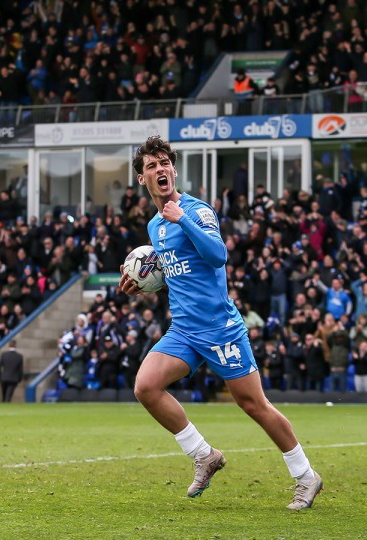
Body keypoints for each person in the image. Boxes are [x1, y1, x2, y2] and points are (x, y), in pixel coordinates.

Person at [119, 136, 323, 510]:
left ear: (174, 169)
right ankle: (204, 454)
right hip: (183, 330)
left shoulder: (197, 211)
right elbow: (176, 271)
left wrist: (182, 218)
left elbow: (217, 256)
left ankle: (306, 476)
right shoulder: (154, 227)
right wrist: (142, 281)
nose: (160, 168)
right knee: (146, 386)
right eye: (152, 165)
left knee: (254, 404)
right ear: (141, 178)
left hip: (220, 329)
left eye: (165, 162)